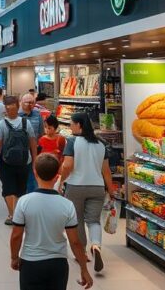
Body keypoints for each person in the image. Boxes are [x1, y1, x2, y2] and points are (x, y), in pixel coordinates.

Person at [10, 153, 94, 290]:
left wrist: (14, 257)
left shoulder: (23, 202)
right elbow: (74, 242)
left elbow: (16, 235)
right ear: (57, 175)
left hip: (31, 263)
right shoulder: (67, 205)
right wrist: (84, 269)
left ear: (35, 172)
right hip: (58, 263)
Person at [59, 112, 113, 273]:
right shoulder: (101, 143)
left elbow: (67, 165)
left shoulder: (72, 142)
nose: (70, 126)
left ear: (79, 125)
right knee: (94, 220)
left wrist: (61, 181)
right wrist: (111, 189)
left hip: (76, 186)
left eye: (71, 123)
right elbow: (106, 171)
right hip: (97, 187)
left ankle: (81, 251)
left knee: (78, 220)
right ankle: (96, 245)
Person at [0, 95, 39, 226]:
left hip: (6, 161)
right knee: (20, 189)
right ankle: (17, 214)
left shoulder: (2, 124)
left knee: (8, 188)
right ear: (18, 108)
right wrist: (34, 159)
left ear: (6, 109)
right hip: (25, 161)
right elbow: (32, 142)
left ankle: (12, 215)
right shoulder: (26, 123)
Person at [20, 93, 43, 193]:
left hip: (33, 149)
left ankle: (31, 196)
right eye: (27, 102)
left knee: (32, 174)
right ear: (21, 103)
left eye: (32, 102)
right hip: (19, 150)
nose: (30, 104)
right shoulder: (16, 114)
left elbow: (41, 131)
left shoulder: (37, 113)